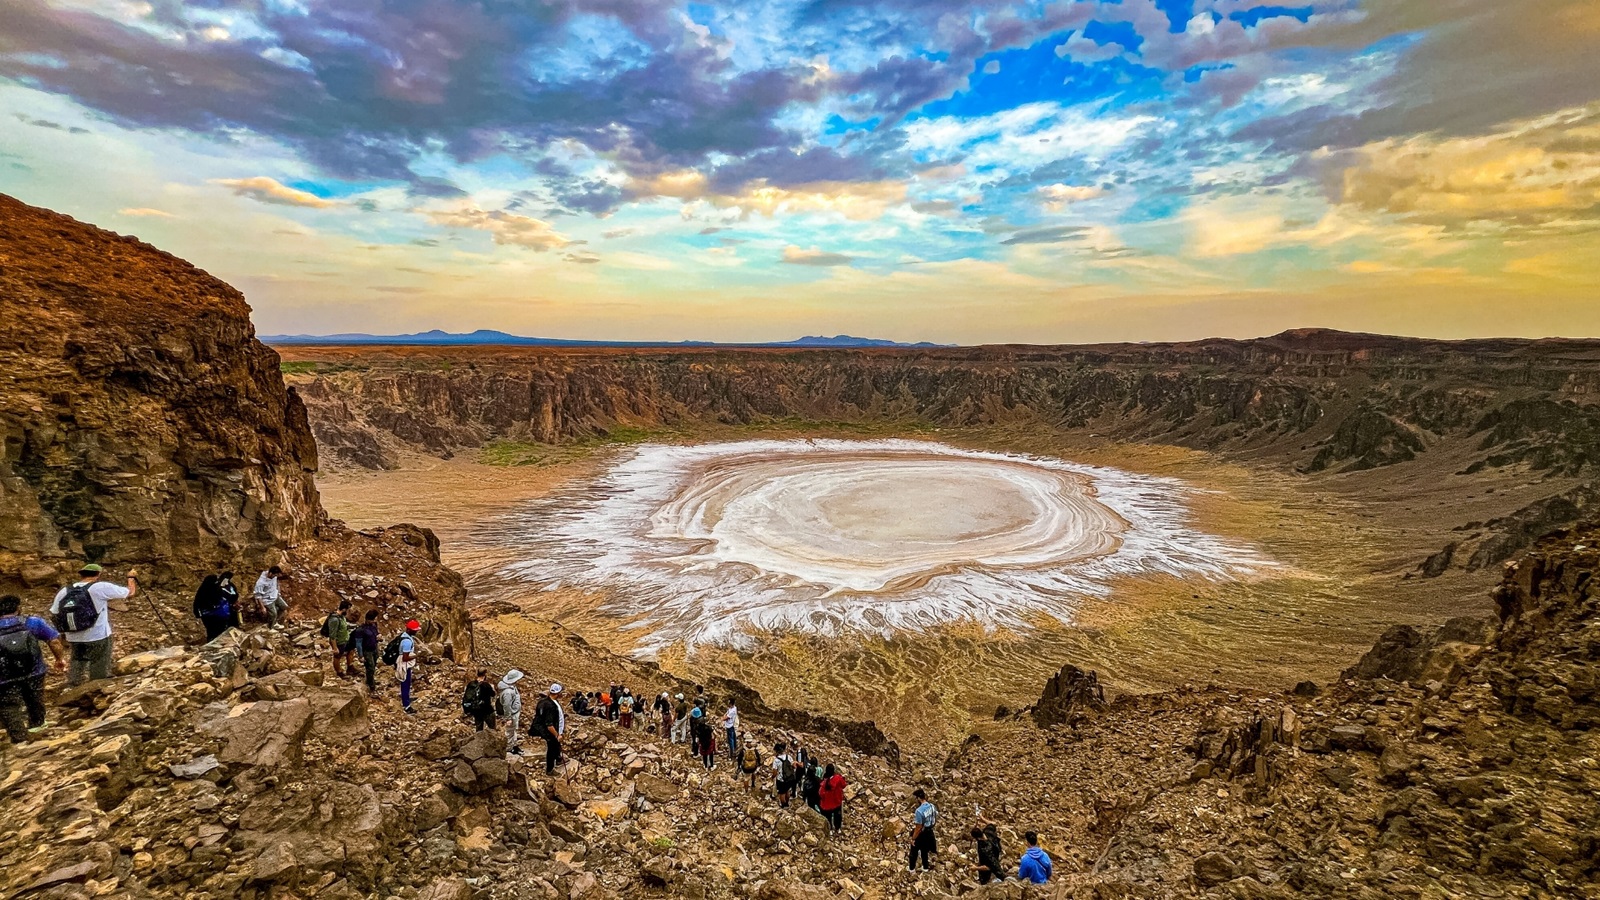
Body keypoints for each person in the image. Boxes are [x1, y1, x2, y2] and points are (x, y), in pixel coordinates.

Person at [50, 563, 135, 686]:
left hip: (73, 635)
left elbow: (55, 612)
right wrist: (131, 578)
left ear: (81, 574)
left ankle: (73, 687)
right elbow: (130, 593)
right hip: (97, 634)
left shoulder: (66, 590)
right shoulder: (100, 587)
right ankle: (97, 687)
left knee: (77, 660)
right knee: (99, 662)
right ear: (98, 574)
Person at [0, 594, 66, 743]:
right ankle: (38, 730)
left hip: (4, 677)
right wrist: (59, 659)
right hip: (34, 670)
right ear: (18, 608)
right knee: (35, 699)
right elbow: (54, 641)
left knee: (9, 706)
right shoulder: (33, 622)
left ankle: (19, 739)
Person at [532, 682, 566, 774]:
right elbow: (549, 724)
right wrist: (557, 734)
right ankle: (550, 770)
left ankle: (558, 758)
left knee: (555, 745)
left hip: (543, 728)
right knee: (551, 748)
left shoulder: (543, 701)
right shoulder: (551, 706)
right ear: (558, 693)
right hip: (550, 731)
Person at [191, 574, 233, 642]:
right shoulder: (215, 588)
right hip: (217, 614)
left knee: (211, 630)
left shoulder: (202, 589)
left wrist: (197, 613)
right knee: (218, 630)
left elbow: (197, 602)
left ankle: (211, 641)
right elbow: (222, 598)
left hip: (206, 614)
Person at [321, 600, 354, 676]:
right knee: (337, 657)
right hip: (339, 641)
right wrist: (335, 647)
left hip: (345, 639)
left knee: (350, 651)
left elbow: (344, 626)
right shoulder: (334, 619)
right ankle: (339, 672)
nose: (349, 612)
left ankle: (350, 667)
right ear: (344, 609)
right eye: (348, 610)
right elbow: (332, 635)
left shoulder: (342, 617)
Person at [908, 788, 938, 872]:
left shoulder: (919, 811)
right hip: (930, 831)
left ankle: (911, 869)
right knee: (925, 850)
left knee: (914, 851)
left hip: (922, 832)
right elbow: (935, 817)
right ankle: (925, 867)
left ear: (918, 798)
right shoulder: (931, 806)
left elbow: (918, 827)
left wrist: (913, 838)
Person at [351, 610, 380, 694]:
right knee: (370, 667)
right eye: (374, 619)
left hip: (374, 648)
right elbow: (359, 643)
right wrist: (360, 656)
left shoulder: (374, 626)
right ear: (369, 619)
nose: (375, 620)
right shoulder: (360, 630)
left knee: (373, 665)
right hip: (367, 651)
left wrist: (379, 638)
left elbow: (376, 634)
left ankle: (370, 680)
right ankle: (371, 686)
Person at [498, 669, 525, 755]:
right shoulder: (508, 692)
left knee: (513, 731)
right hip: (512, 714)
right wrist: (508, 718)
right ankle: (508, 749)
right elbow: (507, 706)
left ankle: (514, 746)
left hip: (514, 713)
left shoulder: (511, 687)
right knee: (509, 732)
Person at [396, 619, 420, 714]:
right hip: (404, 664)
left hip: (403, 663)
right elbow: (405, 657)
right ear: (410, 630)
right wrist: (416, 655)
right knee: (405, 683)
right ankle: (406, 705)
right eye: (415, 630)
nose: (416, 631)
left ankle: (406, 699)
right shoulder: (407, 642)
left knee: (405, 683)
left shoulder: (404, 636)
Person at [818, 763, 847, 834]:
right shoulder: (838, 778)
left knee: (828, 817)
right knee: (838, 816)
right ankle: (838, 828)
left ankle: (830, 829)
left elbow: (820, 793)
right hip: (837, 801)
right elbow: (844, 785)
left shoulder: (824, 783)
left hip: (827, 804)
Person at [771, 742, 797, 807]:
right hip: (789, 778)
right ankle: (787, 803)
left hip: (781, 779)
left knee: (782, 793)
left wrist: (772, 777)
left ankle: (783, 805)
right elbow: (794, 766)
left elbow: (774, 772)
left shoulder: (776, 760)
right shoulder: (789, 757)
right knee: (787, 791)